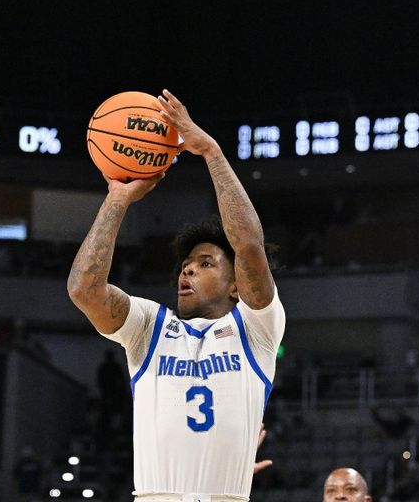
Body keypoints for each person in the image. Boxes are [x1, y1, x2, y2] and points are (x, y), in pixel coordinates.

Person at [67, 90, 285, 501]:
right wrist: (117, 198)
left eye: (205, 263)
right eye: (186, 263)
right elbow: (84, 289)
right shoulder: (149, 326)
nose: (187, 269)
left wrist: (212, 153)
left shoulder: (256, 328)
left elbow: (250, 247)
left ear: (236, 284)